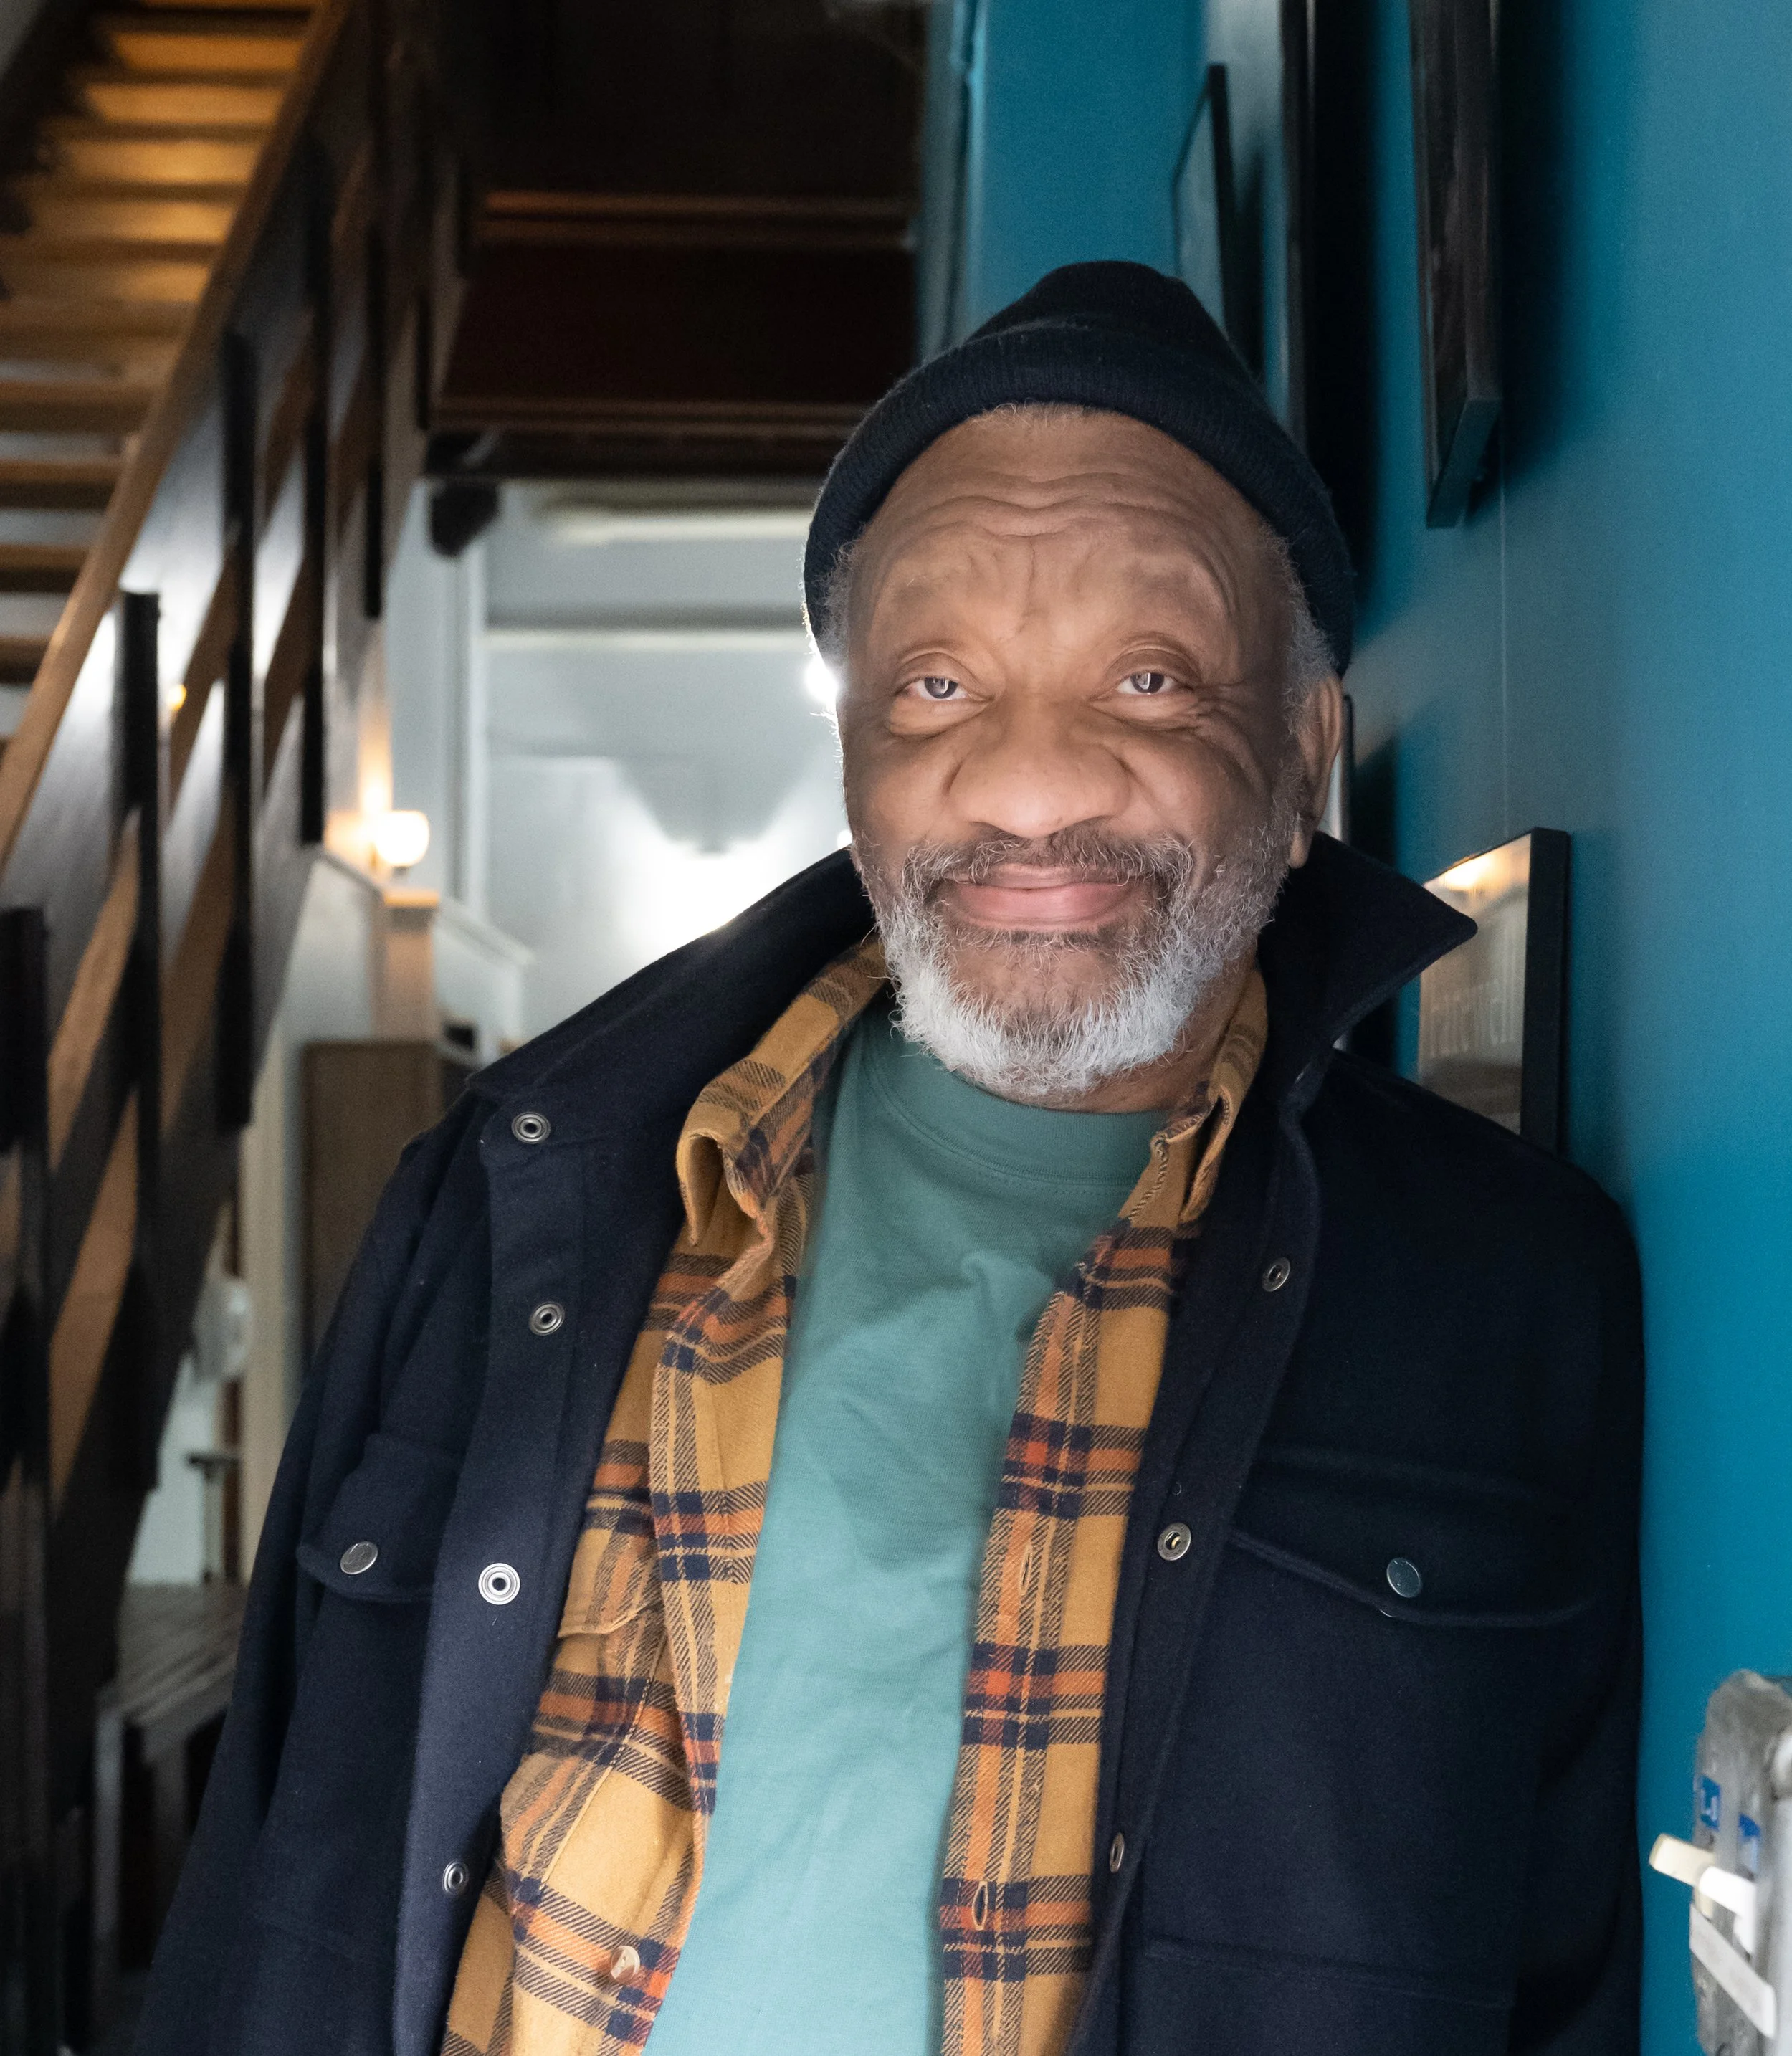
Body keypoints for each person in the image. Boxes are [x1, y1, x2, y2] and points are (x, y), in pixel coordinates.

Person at [136, 263, 1641, 2056]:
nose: (1021, 786)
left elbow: (1561, 1980)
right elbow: (277, 1876)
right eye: (934, 684)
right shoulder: (520, 1190)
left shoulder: (1502, 1291)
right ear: (852, 750)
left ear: (1304, 740)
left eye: (1148, 676)